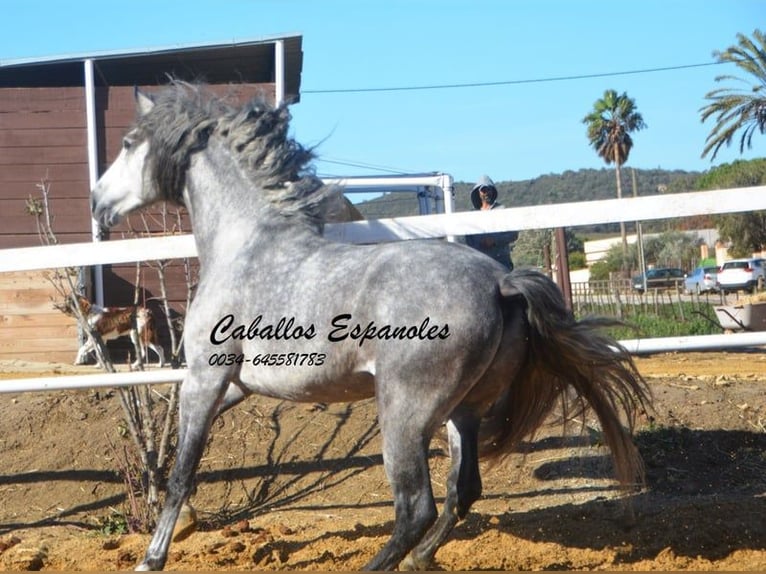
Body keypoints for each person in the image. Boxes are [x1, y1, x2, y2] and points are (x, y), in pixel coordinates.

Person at [465, 175, 518, 270]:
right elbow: (468, 239)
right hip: (479, 263)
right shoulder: (472, 214)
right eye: (484, 190)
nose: (487, 193)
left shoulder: (502, 210)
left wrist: (494, 241)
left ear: (493, 191)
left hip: (501, 261)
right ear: (478, 192)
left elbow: (513, 234)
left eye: (489, 189)